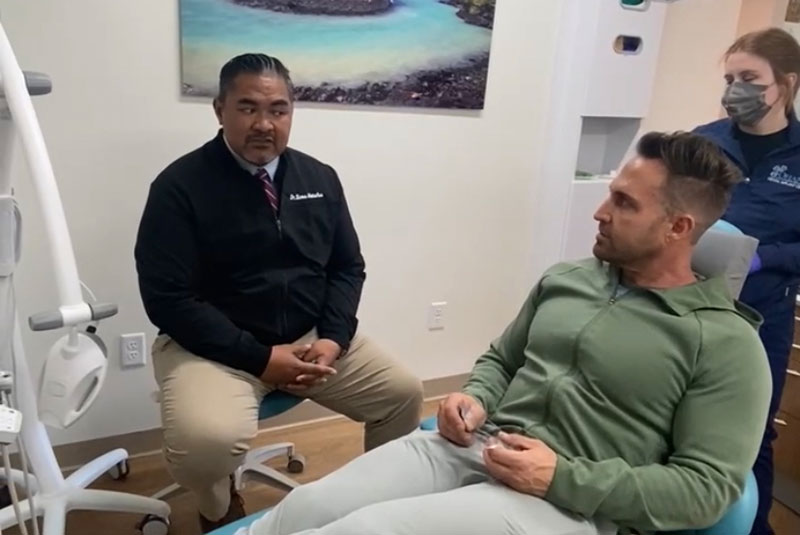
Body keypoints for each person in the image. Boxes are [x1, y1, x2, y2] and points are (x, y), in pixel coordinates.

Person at [247, 131, 772, 535]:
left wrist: (561, 477)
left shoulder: (725, 343)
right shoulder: (567, 280)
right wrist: (473, 398)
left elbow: (708, 489)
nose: (600, 211)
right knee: (304, 509)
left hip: (564, 504)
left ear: (678, 228)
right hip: (475, 445)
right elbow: (502, 359)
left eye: (625, 203)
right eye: (610, 194)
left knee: (362, 531)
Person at [134, 53, 423, 532]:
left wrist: (333, 339)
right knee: (204, 448)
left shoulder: (319, 178)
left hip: (313, 342)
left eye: (278, 109)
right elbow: (168, 299)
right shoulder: (179, 187)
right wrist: (260, 357)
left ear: (292, 112)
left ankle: (373, 504)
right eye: (247, 108)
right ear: (219, 109)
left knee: (403, 395)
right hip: (213, 351)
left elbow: (347, 267)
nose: (264, 124)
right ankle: (218, 509)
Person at [693, 27, 800, 535]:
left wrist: (764, 258)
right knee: (682, 423)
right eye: (731, 77)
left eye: (750, 78)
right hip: (692, 307)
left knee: (753, 435)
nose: (736, 88)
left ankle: (752, 527)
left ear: (786, 83)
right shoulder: (702, 143)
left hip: (763, 317)